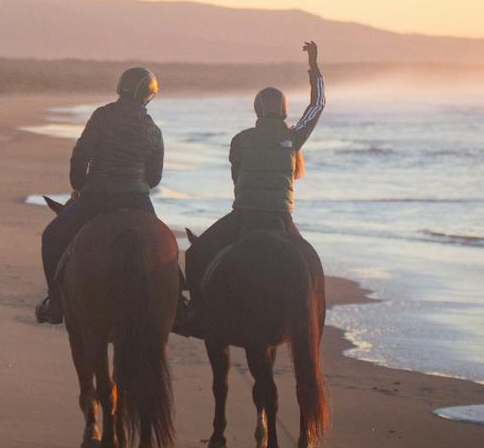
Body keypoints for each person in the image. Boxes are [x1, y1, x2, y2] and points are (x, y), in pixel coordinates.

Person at [176, 41, 325, 337]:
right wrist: (314, 66)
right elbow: (317, 105)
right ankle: (316, 319)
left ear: (257, 110)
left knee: (195, 256)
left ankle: (197, 313)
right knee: (310, 268)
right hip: (282, 219)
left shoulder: (241, 140)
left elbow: (236, 177)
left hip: (244, 216)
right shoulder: (294, 138)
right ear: (284, 111)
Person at [35, 66, 165, 325]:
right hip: (137, 200)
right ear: (148, 96)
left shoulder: (102, 116)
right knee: (163, 247)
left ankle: (56, 302)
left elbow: (80, 155)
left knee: (51, 237)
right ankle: (177, 307)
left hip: (96, 196)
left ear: (120, 88)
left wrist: (79, 185)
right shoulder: (152, 129)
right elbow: (154, 177)